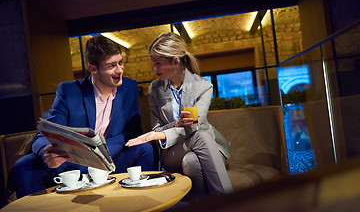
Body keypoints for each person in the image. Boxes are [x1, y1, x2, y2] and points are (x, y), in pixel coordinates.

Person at [12, 34, 154, 198]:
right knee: (23, 165)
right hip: (74, 160)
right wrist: (46, 152)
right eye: (112, 66)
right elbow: (43, 135)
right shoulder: (69, 91)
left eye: (120, 63)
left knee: (144, 148)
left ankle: (143, 201)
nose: (120, 70)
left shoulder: (129, 87)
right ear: (93, 69)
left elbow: (133, 132)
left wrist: (100, 151)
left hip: (113, 158)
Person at [126, 32, 233, 201]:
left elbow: (193, 126)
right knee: (201, 136)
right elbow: (158, 129)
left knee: (192, 161)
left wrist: (161, 134)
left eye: (158, 64)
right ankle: (231, 204)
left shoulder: (203, 86)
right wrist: (173, 125)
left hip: (208, 147)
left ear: (176, 61)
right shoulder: (155, 89)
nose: (154, 69)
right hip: (173, 151)